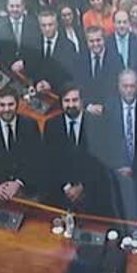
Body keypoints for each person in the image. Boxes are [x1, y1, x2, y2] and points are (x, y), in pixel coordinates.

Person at [86, 70, 137, 226]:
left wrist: (135, 168)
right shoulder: (108, 108)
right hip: (116, 172)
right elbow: (104, 144)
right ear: (118, 86)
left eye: (132, 86)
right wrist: (118, 168)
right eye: (125, 86)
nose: (129, 90)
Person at [43, 85, 102, 215]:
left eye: (75, 100)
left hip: (89, 189)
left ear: (82, 101)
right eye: (66, 101)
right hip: (60, 188)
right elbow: (50, 160)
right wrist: (67, 187)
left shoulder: (96, 124)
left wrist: (82, 187)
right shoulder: (51, 125)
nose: (71, 105)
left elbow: (99, 163)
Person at [0, 86, 41, 202]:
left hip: (27, 188)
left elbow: (37, 158)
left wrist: (18, 182)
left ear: (17, 105)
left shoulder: (30, 125)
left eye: (10, 104)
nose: (6, 109)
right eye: (2, 105)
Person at [108, 7, 137, 72]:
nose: (122, 25)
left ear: (129, 23)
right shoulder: (107, 42)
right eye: (119, 22)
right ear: (114, 23)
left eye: (124, 22)